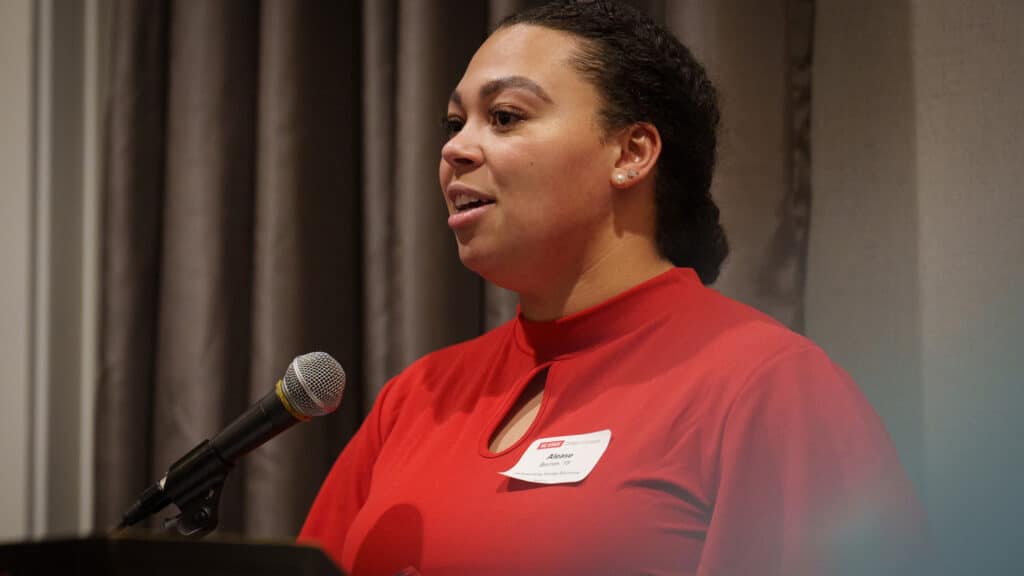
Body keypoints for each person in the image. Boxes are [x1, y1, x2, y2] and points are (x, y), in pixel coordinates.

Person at [299, 2, 923, 574]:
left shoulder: (768, 385)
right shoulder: (417, 397)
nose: (456, 149)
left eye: (506, 117)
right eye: (454, 123)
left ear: (632, 152)